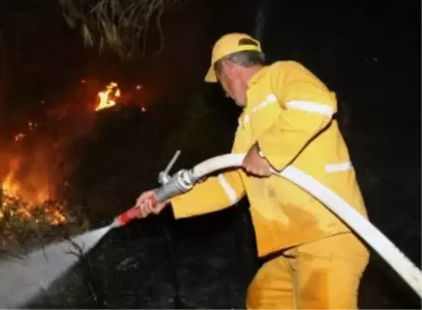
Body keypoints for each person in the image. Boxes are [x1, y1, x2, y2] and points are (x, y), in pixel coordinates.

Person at [135, 33, 370, 309]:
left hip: (328, 234)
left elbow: (317, 103)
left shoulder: (281, 74)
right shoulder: (248, 122)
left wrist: (265, 150)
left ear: (228, 69)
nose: (223, 91)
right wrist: (168, 198)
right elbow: (232, 184)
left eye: (220, 80)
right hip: (293, 245)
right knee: (264, 298)